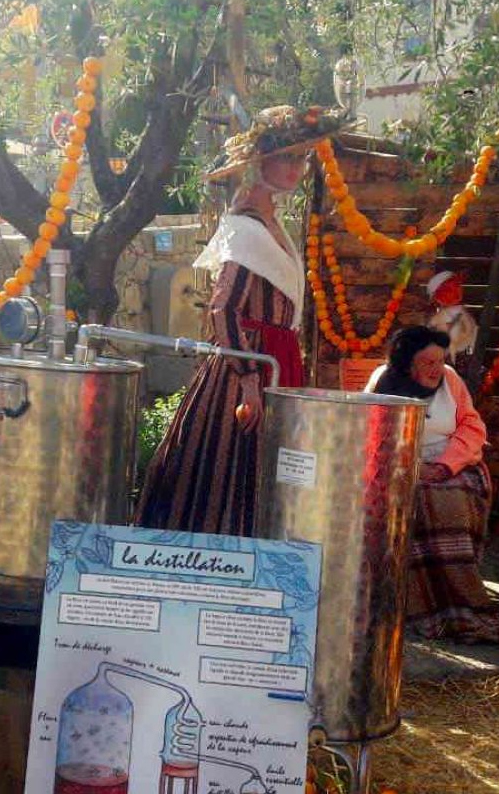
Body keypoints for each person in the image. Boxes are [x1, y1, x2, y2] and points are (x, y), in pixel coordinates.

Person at [136, 105, 345, 535]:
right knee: (229, 465)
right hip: (248, 363)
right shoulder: (245, 228)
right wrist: (249, 375)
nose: (295, 167)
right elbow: (223, 309)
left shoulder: (272, 224)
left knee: (273, 469)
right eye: (285, 158)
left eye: (301, 158)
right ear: (259, 164)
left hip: (279, 357)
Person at [365, 325, 499, 643]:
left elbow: (472, 426)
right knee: (414, 499)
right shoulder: (383, 382)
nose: (437, 369)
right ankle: (423, 603)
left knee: (452, 499)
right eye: (427, 363)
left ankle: (460, 600)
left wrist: (446, 464)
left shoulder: (451, 380)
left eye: (440, 361)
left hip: (453, 462)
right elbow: (371, 436)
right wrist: (411, 467)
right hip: (401, 464)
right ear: (407, 363)